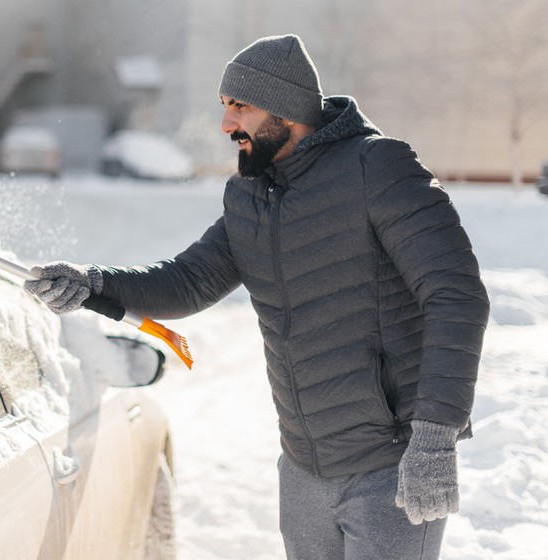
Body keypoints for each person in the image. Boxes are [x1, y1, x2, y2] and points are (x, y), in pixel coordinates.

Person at [24, 34, 489, 560]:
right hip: (303, 469)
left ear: (286, 109)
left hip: (390, 465)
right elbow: (189, 280)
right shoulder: (250, 195)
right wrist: (93, 283)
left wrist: (434, 436)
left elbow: (456, 295)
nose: (226, 124)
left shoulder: (376, 167)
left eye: (240, 106)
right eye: (225, 105)